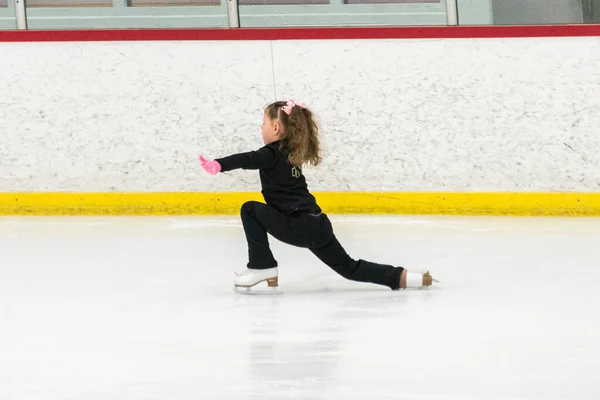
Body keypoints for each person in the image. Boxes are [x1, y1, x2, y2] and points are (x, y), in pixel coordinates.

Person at [199, 99, 434, 291]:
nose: (261, 128)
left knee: (250, 209)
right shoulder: (291, 153)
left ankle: (262, 266)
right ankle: (408, 278)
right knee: (349, 268)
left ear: (276, 127)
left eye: (263, 123)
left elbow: (248, 158)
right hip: (318, 223)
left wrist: (218, 164)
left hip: (297, 225)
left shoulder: (271, 153)